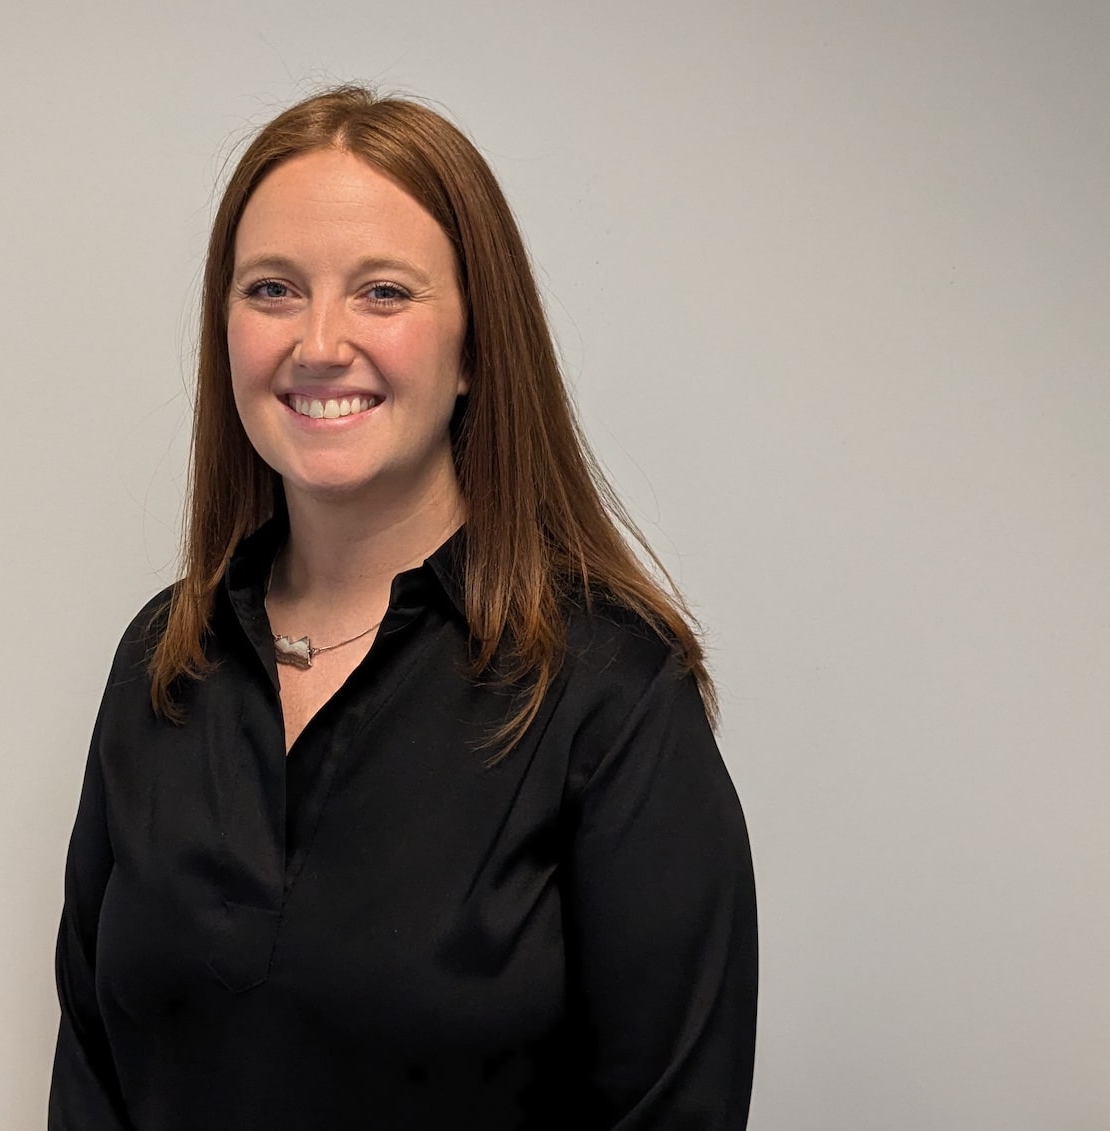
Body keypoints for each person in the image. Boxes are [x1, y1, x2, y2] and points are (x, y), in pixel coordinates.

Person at [49, 85, 757, 1130]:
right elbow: (91, 1077)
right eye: (273, 289)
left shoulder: (608, 695)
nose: (320, 342)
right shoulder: (166, 659)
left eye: (383, 292)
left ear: (476, 347)